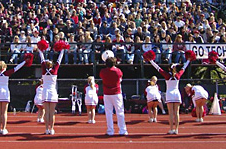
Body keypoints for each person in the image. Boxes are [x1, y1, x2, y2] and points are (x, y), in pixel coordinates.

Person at [150, 58, 191, 134]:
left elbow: (158, 68)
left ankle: (171, 129)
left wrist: (151, 61)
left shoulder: (166, 75)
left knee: (171, 113)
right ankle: (177, 129)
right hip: (176, 94)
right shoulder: (178, 75)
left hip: (169, 94)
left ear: (169, 68)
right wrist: (188, 60)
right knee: (177, 113)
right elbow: (184, 68)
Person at [38, 48, 64, 135]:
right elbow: (59, 60)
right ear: (52, 65)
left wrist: (40, 49)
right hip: (53, 92)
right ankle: (51, 129)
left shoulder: (43, 70)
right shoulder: (55, 70)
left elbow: (41, 58)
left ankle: (46, 129)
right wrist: (62, 50)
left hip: (45, 92)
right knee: (52, 113)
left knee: (46, 112)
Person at [99, 57, 128, 136]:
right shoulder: (118, 71)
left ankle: (110, 130)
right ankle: (122, 130)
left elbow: (102, 76)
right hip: (116, 93)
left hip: (107, 94)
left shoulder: (103, 71)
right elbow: (120, 78)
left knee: (108, 113)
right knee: (120, 112)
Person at [0, 60, 29, 135]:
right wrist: (25, 61)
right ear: (3, 67)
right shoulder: (6, 73)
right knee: (4, 112)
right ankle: (3, 129)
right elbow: (16, 68)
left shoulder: (5, 73)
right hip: (5, 93)